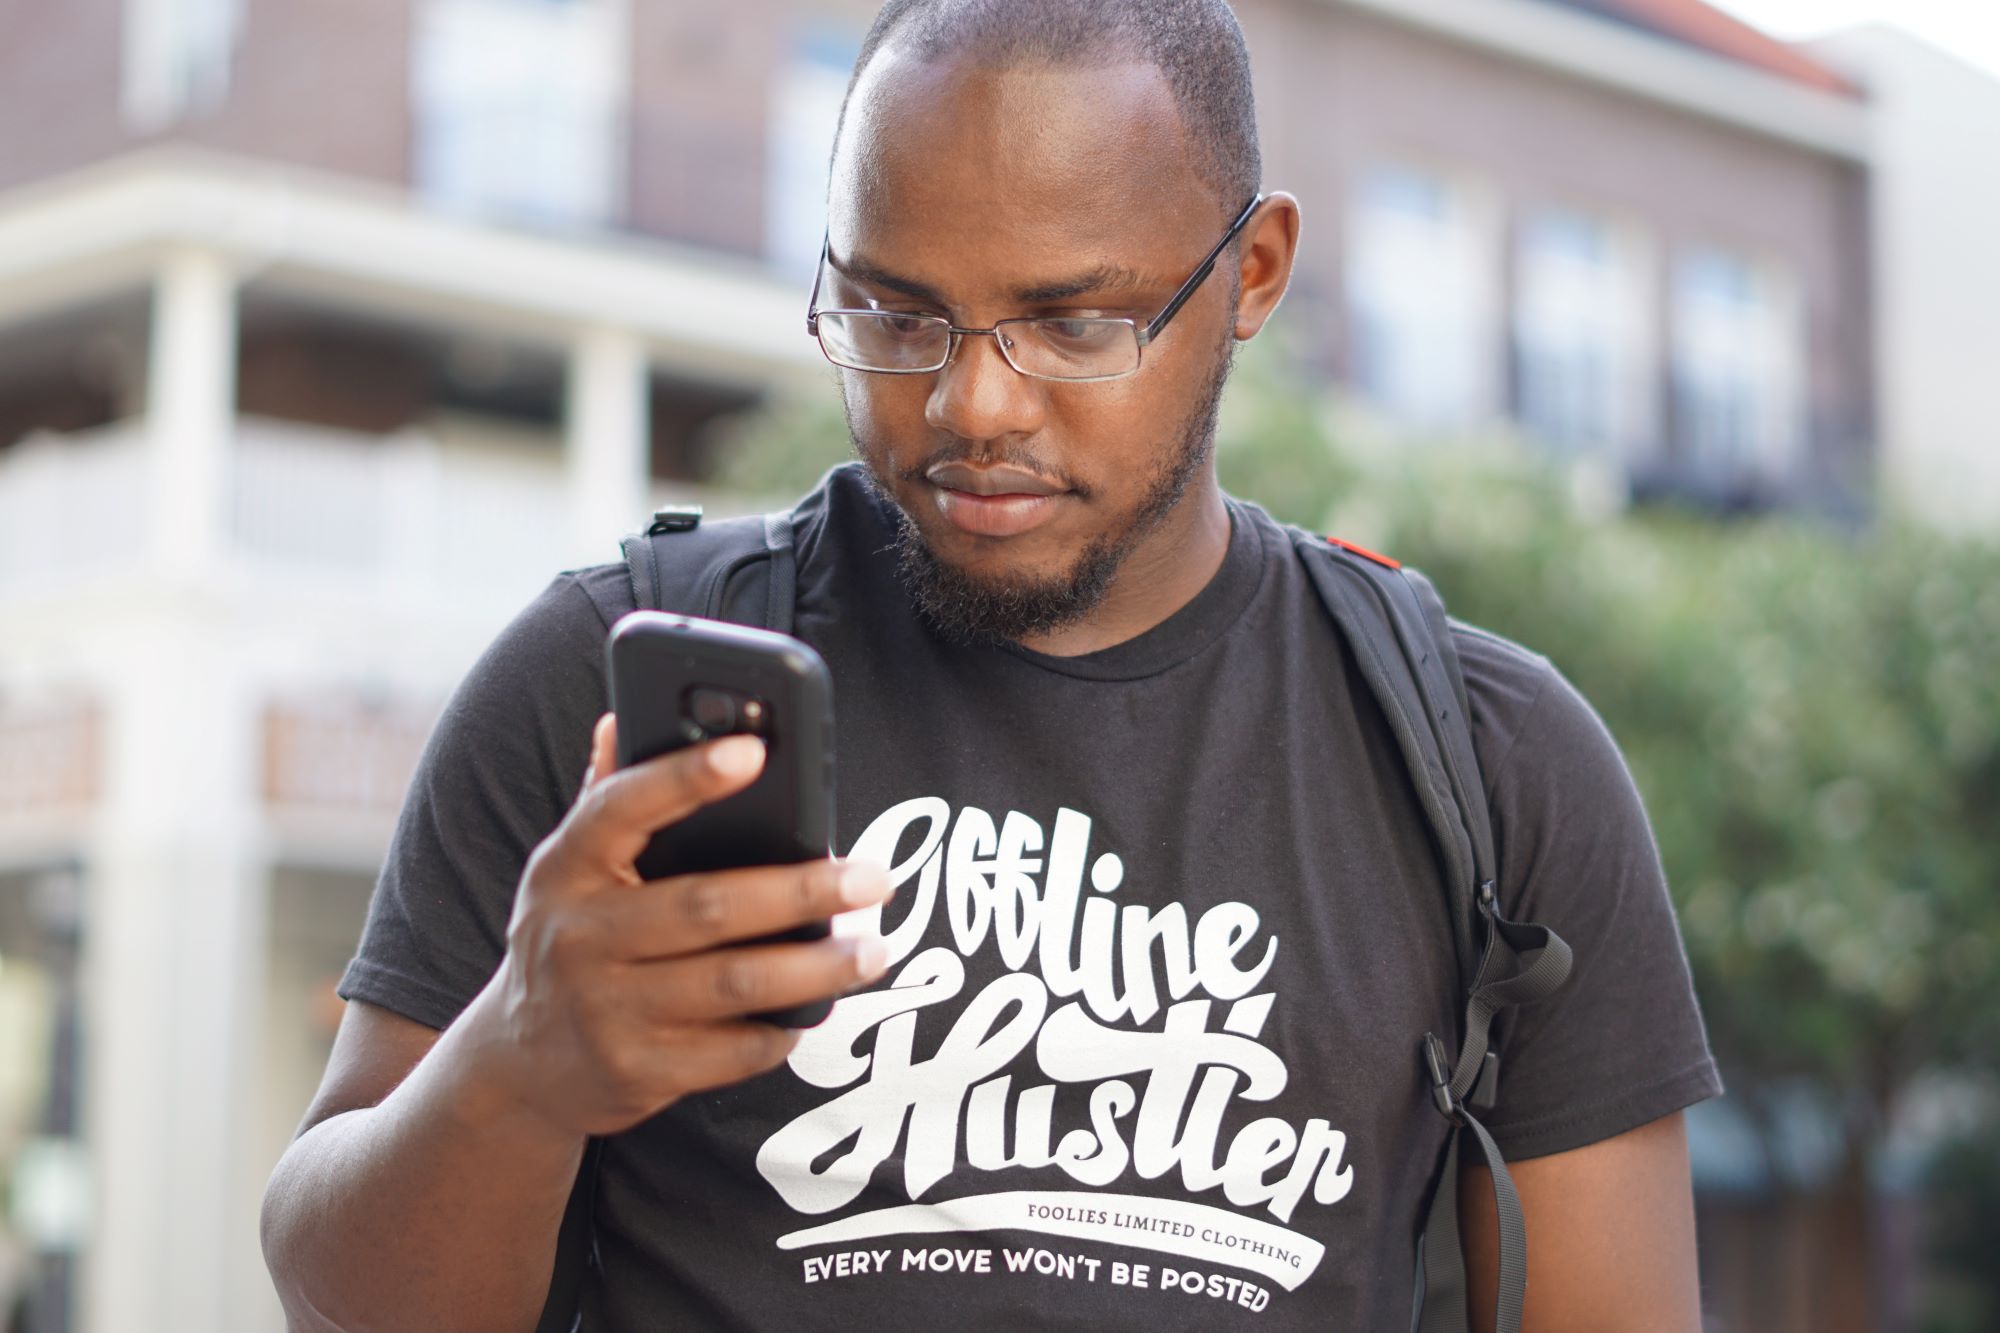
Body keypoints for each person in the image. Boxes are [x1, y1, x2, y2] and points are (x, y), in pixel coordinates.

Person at [261, 1, 1722, 1328]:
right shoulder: (605, 676)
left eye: (1074, 321)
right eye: (894, 316)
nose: (970, 404)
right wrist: (516, 1069)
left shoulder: (1489, 764)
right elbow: (338, 1293)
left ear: (1254, 272)